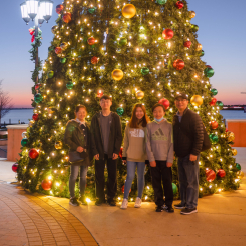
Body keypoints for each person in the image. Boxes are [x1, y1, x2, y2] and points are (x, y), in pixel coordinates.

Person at [173, 92, 204, 215]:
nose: (180, 102)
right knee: (183, 181)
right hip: (180, 154)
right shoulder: (175, 117)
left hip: (190, 154)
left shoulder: (193, 116)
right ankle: (184, 202)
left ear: (187, 102)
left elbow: (199, 136)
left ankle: (192, 206)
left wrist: (195, 153)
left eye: (182, 100)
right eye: (177, 100)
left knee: (192, 181)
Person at [91, 95, 122, 206]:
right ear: (100, 103)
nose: (105, 103)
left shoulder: (115, 117)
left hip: (111, 153)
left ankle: (111, 197)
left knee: (112, 175)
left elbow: (119, 136)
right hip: (99, 153)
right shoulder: (95, 117)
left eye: (107, 101)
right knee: (99, 175)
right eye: (103, 101)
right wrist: (94, 151)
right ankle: (100, 198)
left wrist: (116, 150)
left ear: (111, 103)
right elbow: (92, 136)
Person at [120, 104, 150, 209]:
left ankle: (138, 198)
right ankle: (125, 199)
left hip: (142, 157)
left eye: (141, 111)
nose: (139, 113)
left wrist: (148, 157)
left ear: (144, 112)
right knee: (130, 177)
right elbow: (126, 141)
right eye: (137, 111)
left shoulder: (148, 125)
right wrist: (124, 156)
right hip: (131, 156)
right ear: (134, 113)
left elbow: (148, 142)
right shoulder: (129, 124)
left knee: (140, 178)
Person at [146, 103, 174, 213]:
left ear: (164, 112)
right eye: (155, 111)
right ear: (152, 113)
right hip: (154, 160)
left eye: (159, 111)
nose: (157, 114)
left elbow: (172, 143)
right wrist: (151, 159)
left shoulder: (169, 126)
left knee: (167, 182)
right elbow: (147, 143)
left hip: (166, 160)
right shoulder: (149, 126)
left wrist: (170, 159)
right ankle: (159, 204)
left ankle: (168, 204)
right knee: (156, 183)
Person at [64, 105, 93, 206]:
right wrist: (76, 147)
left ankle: (82, 196)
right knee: (74, 176)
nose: (82, 114)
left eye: (84, 112)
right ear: (75, 113)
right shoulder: (72, 124)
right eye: (79, 112)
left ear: (86, 113)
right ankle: (72, 197)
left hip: (85, 154)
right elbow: (67, 139)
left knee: (83, 177)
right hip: (76, 154)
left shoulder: (88, 125)